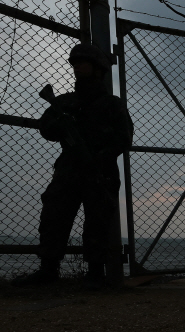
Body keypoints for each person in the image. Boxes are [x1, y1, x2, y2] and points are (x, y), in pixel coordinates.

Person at [12, 44, 133, 290]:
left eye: (83, 63)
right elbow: (46, 128)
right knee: (54, 214)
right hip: (70, 167)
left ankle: (95, 273)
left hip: (101, 169)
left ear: (98, 69)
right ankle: (48, 270)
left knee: (97, 219)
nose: (77, 67)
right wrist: (62, 124)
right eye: (75, 64)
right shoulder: (65, 101)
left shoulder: (112, 103)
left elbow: (124, 137)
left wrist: (99, 155)